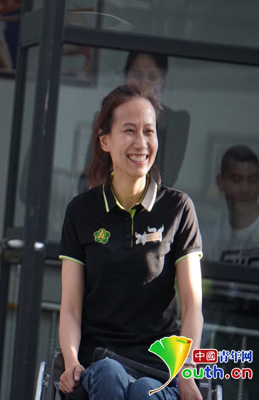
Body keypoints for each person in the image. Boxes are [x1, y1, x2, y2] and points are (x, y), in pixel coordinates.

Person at [58, 83, 203, 400]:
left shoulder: (179, 209)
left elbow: (193, 305)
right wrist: (71, 360)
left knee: (144, 392)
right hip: (98, 364)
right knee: (110, 375)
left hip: (160, 371)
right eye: (129, 130)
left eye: (149, 131)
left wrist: (188, 372)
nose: (141, 142)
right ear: (105, 141)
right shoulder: (81, 212)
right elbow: (70, 307)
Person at [80, 52, 190, 192]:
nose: (144, 84)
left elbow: (168, 177)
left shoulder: (175, 121)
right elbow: (90, 176)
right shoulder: (106, 117)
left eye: (149, 131)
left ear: (164, 78)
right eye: (129, 130)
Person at [202, 144, 259, 400]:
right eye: (237, 179)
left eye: (252, 180)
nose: (245, 188)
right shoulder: (211, 235)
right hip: (219, 334)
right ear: (221, 182)